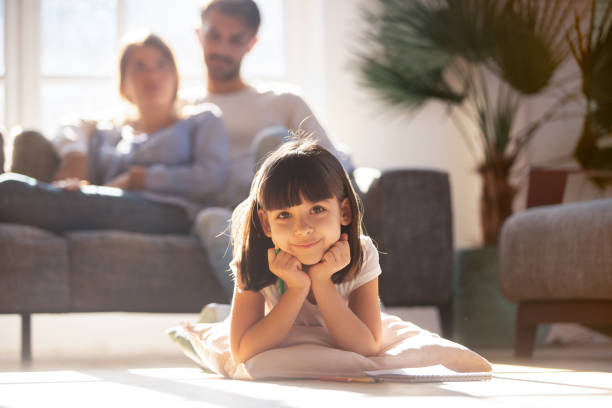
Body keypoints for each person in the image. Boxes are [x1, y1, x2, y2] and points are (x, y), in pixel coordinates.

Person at [179, 139, 492, 379]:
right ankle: (218, 314)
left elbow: (367, 346)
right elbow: (243, 350)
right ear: (266, 223)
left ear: (343, 211)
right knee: (228, 323)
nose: (303, 229)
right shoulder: (254, 257)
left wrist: (321, 282)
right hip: (279, 317)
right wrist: (297, 289)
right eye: (285, 215)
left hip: (351, 317)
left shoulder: (362, 251)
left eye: (317, 209)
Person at [192, 0, 353, 294]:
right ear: (198, 34)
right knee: (209, 219)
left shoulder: (284, 101)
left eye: (235, 39)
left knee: (271, 139)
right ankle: (269, 309)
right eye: (214, 35)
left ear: (252, 43)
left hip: (289, 210)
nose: (222, 49)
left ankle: (339, 299)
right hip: (240, 218)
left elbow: (335, 163)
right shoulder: (184, 112)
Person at [0, 32, 229, 234]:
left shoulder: (203, 120)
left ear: (175, 75)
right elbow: (74, 131)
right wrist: (78, 179)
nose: (152, 75)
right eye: (140, 66)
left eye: (161, 65)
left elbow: (210, 178)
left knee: (8, 190)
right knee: (15, 190)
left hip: (170, 212)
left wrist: (138, 179)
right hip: (107, 206)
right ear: (123, 83)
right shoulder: (108, 132)